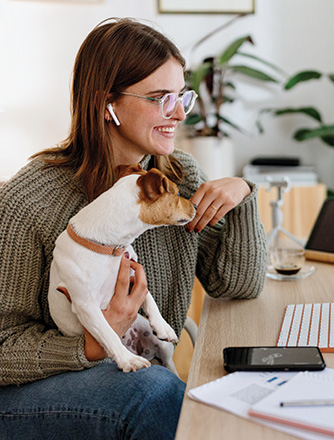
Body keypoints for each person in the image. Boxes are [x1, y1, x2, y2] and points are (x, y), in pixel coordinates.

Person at [0, 18, 267, 439]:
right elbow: (2, 350)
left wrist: (243, 194)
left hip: (138, 374)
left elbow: (238, 284)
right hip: (28, 395)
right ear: (107, 103)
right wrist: (90, 344)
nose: (179, 113)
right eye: (161, 98)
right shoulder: (28, 200)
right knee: (158, 395)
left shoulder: (178, 179)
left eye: (181, 96)